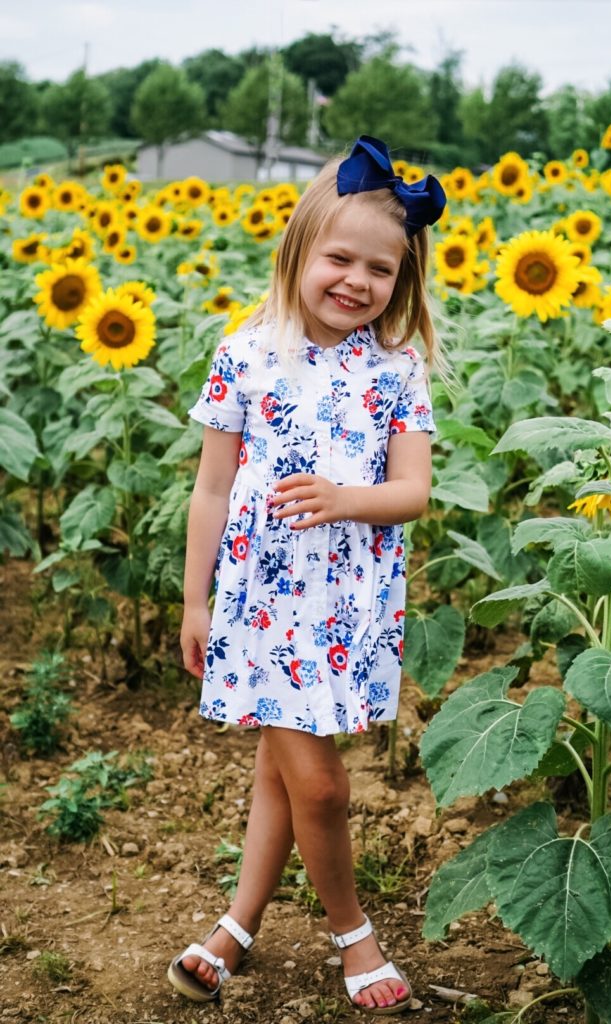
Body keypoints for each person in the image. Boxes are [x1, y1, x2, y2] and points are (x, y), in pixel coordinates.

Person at [167, 136, 446, 1014]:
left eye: (381, 268)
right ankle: (352, 932)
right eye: (339, 257)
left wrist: (343, 498)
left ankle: (237, 926)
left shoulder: (397, 369)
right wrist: (193, 598)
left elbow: (412, 494)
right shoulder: (246, 353)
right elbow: (211, 489)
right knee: (319, 783)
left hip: (343, 610)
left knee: (282, 773)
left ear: (401, 281)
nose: (357, 281)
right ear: (297, 252)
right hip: (258, 606)